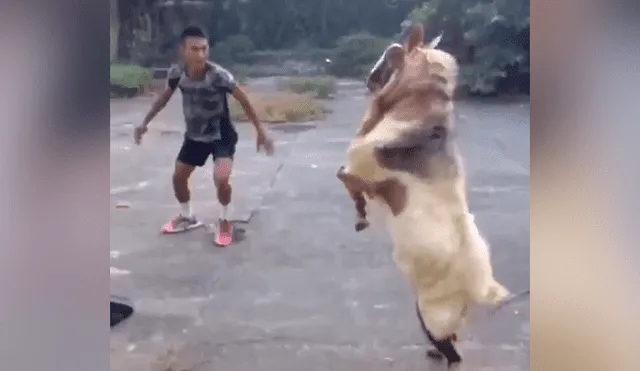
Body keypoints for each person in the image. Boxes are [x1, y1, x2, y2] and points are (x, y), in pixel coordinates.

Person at [134, 25, 274, 246]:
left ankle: (225, 220)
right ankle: (187, 216)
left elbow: (244, 99)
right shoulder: (177, 73)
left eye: (204, 49)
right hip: (195, 136)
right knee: (178, 178)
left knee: (221, 178)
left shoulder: (218, 75)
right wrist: (144, 123)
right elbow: (164, 98)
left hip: (222, 136)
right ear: (183, 50)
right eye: (194, 49)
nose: (200, 54)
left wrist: (261, 131)